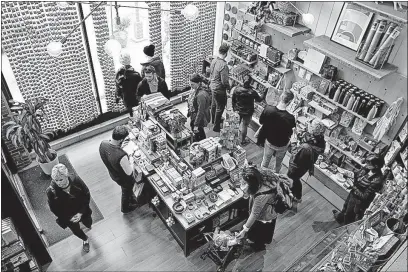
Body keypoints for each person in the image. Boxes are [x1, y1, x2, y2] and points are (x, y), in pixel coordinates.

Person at [236, 165, 292, 251]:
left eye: (245, 183)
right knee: (258, 230)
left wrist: (244, 230)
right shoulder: (263, 175)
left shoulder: (261, 196)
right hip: (270, 207)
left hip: (265, 215)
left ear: (252, 184)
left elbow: (254, 214)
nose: (242, 184)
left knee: (260, 233)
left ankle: (258, 247)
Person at [46, 164, 92, 253]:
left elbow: (87, 195)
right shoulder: (51, 191)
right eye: (56, 180)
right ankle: (85, 239)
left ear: (66, 176)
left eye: (61, 179)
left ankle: (88, 225)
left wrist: (80, 213)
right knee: (76, 231)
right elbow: (54, 209)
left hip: (82, 210)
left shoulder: (76, 180)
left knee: (88, 222)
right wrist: (69, 217)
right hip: (68, 216)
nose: (58, 183)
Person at [333, 154, 385, 225]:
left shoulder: (377, 180)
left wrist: (353, 186)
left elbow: (364, 196)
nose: (366, 164)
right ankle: (340, 218)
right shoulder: (367, 168)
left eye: (369, 163)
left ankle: (344, 227)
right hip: (353, 193)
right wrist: (346, 172)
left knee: (349, 215)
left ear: (376, 166)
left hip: (358, 201)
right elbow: (357, 174)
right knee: (345, 206)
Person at [287, 119, 326, 211]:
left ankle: (293, 198)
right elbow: (307, 138)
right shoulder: (319, 139)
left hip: (296, 166)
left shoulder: (306, 148)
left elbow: (295, 155)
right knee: (296, 179)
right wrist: (298, 134)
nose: (308, 125)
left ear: (313, 129)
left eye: (311, 125)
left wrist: (293, 142)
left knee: (292, 179)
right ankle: (297, 197)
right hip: (305, 165)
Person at [99, 126, 140, 214]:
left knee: (126, 190)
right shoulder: (121, 156)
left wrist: (120, 147)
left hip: (113, 173)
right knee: (126, 191)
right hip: (123, 179)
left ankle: (132, 198)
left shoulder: (103, 144)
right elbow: (129, 173)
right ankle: (125, 208)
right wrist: (133, 160)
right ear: (121, 140)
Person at [258, 90, 296, 173]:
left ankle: (261, 176)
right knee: (278, 164)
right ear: (289, 102)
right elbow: (291, 132)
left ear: (281, 97)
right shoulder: (290, 118)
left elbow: (261, 121)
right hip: (282, 145)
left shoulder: (268, 109)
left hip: (269, 141)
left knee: (265, 162)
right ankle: (275, 178)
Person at [232, 75, 265, 145]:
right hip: (248, 112)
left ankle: (233, 139)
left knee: (236, 124)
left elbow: (233, 99)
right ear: (250, 82)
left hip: (238, 110)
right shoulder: (252, 92)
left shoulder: (237, 89)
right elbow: (259, 99)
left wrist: (234, 108)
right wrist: (264, 93)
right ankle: (243, 140)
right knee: (245, 126)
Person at [209, 43, 231, 133]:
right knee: (220, 107)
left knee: (214, 105)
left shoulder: (214, 60)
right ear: (226, 53)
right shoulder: (223, 65)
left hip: (212, 86)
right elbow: (224, 81)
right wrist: (229, 87)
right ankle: (216, 126)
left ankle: (214, 120)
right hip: (219, 89)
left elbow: (211, 72)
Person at [115, 52, 142, 116]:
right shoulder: (136, 75)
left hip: (126, 98)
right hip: (136, 98)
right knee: (138, 111)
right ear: (130, 60)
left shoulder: (119, 73)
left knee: (131, 111)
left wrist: (117, 96)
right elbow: (141, 87)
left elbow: (118, 86)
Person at [187, 74, 211, 142]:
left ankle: (201, 144)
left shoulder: (201, 95)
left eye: (192, 84)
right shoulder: (197, 89)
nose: (191, 86)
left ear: (198, 83)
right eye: (190, 84)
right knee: (200, 131)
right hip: (195, 114)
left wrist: (196, 125)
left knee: (198, 132)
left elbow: (200, 111)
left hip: (199, 118)